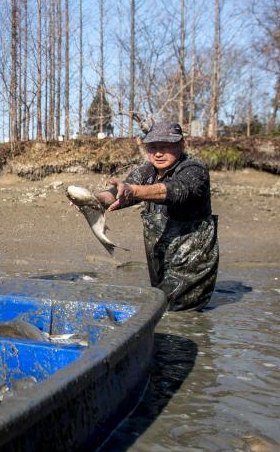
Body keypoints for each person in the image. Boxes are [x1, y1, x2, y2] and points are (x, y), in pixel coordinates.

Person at [94, 121, 219, 311]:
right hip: (161, 264)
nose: (158, 153)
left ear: (182, 144)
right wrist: (91, 200)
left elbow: (174, 191)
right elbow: (117, 193)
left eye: (165, 146)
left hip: (191, 266)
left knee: (177, 317)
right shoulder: (147, 170)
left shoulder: (194, 170)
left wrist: (132, 191)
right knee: (161, 310)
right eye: (153, 147)